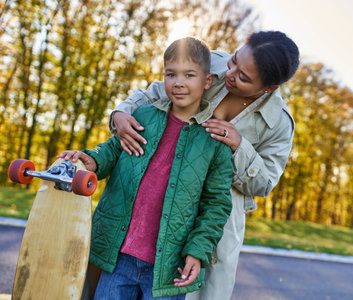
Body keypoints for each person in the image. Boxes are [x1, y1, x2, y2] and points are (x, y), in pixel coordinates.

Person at [110, 31, 300, 300]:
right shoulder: (213, 64)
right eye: (234, 60)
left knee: (188, 290)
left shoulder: (279, 123)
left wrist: (239, 146)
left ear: (269, 88)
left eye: (244, 77)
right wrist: (120, 114)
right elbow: (153, 93)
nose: (230, 73)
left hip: (213, 219)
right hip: (159, 194)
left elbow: (265, 183)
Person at [58, 37, 234, 299]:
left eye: (189, 75)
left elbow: (216, 205)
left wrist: (197, 251)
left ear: (207, 81)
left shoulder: (215, 143)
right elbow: (113, 150)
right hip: (119, 256)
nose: (179, 82)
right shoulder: (143, 116)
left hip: (168, 266)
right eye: (171, 74)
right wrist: (89, 160)